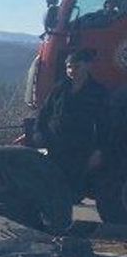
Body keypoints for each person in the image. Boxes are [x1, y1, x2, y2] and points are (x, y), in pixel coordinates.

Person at [35, 49, 110, 194]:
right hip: (54, 146)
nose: (72, 71)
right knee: (50, 188)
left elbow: (105, 125)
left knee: (72, 190)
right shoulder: (59, 88)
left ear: (88, 66)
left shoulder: (98, 92)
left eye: (77, 67)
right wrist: (39, 135)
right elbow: (44, 113)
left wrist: (99, 151)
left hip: (79, 151)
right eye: (69, 67)